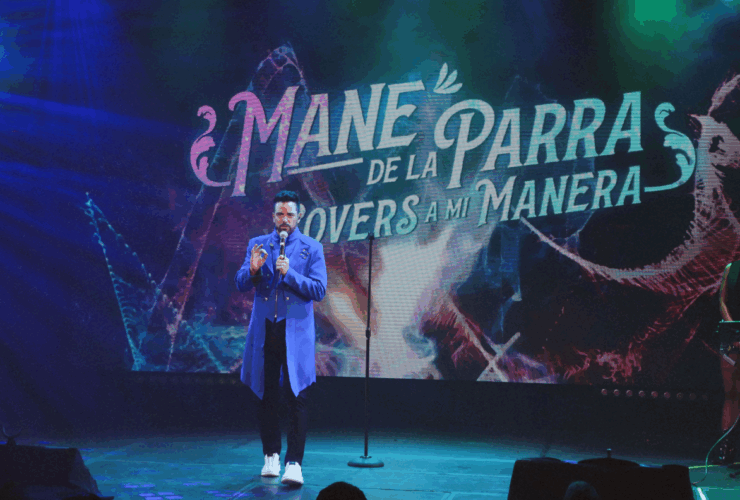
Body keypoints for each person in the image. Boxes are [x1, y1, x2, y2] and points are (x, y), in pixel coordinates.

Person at [235, 190, 327, 486]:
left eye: (290, 214)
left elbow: (319, 290)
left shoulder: (312, 248)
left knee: (296, 396)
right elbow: (240, 283)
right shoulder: (258, 244)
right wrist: (252, 270)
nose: (284, 219)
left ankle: (294, 463)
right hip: (265, 330)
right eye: (280, 214)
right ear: (273, 216)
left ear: (299, 216)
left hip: (295, 333)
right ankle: (270, 455)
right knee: (266, 394)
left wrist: (290, 275)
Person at [717, 260, 740, 464]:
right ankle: (726, 446)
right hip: (733, 340)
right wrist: (734, 329)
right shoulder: (731, 269)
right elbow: (722, 300)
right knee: (731, 394)